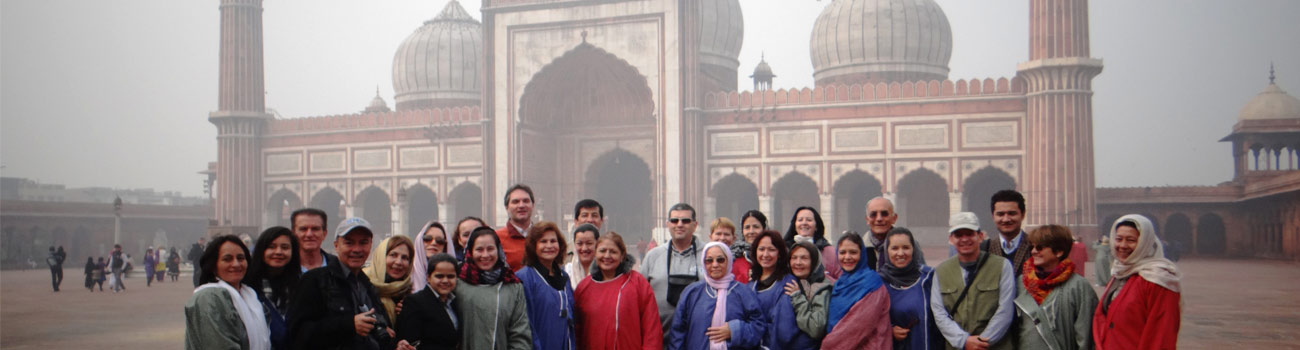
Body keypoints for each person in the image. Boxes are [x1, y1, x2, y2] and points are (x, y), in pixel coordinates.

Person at [287, 217, 410, 350]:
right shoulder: (315, 280)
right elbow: (298, 333)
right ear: (336, 246)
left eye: (363, 243)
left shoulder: (367, 285)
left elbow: (372, 336)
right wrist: (349, 324)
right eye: (349, 243)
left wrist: (395, 345)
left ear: (370, 245)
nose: (357, 249)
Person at [1092, 214, 1182, 350]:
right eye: (1118, 239)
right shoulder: (1120, 272)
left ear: (1145, 242)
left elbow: (1161, 337)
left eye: (1131, 240)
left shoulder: (1158, 280)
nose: (1122, 245)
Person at [931, 212, 1016, 350]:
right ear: (951, 239)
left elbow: (1005, 310)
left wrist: (981, 342)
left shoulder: (1001, 266)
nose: (964, 239)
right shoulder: (941, 271)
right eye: (959, 235)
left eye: (969, 234)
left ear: (980, 236)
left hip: (995, 345)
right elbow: (939, 313)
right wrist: (963, 341)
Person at [667, 242, 766, 350]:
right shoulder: (692, 293)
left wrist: (735, 330)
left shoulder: (744, 292)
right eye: (709, 260)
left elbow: (759, 327)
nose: (715, 265)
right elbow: (677, 333)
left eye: (720, 260)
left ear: (728, 261)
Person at [1014, 225, 1097, 350]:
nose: (1033, 251)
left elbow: (1086, 337)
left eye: (1040, 247)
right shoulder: (1021, 283)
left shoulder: (1078, 286)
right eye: (1032, 247)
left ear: (1059, 252)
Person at [575, 232, 663, 350]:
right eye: (602, 251)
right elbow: (576, 329)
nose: (607, 256)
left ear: (622, 256)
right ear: (595, 254)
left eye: (613, 252)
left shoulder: (637, 283)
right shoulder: (584, 287)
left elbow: (652, 329)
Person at [184, 235, 271, 350]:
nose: (236, 264)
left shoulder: (251, 297)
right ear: (213, 265)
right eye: (227, 259)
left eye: (240, 258)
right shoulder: (208, 298)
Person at [457, 227, 532, 349]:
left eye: (490, 249)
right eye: (479, 250)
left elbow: (520, 335)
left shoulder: (512, 286)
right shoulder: (458, 284)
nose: (485, 255)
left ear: (499, 250)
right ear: (470, 252)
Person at [642, 203, 706, 338]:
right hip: (660, 337)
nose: (680, 224)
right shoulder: (653, 256)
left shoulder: (709, 255)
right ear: (667, 224)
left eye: (686, 221)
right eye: (674, 220)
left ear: (695, 225)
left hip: (700, 338)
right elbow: (640, 295)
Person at [821, 233, 891, 350]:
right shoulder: (840, 283)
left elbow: (856, 328)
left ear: (862, 254)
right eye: (842, 252)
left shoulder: (871, 283)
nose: (847, 257)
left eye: (853, 252)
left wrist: (826, 346)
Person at [750, 230, 817, 350]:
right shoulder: (750, 285)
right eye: (761, 249)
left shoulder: (787, 283)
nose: (765, 254)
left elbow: (784, 330)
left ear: (779, 253)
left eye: (771, 249)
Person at [515, 221, 577, 350]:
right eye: (543, 241)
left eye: (553, 241)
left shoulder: (564, 277)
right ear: (534, 246)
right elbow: (526, 325)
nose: (549, 246)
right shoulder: (525, 278)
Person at [880, 227, 942, 350]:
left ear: (914, 249)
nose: (900, 253)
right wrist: (889, 329)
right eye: (894, 248)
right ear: (887, 251)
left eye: (906, 247)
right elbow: (872, 321)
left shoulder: (929, 277)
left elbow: (943, 315)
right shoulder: (880, 282)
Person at [246, 227, 301, 350]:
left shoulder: (301, 285)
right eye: (271, 247)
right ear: (261, 250)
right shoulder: (246, 286)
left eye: (285, 248)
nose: (278, 252)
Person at [396, 253, 461, 350]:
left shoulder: (455, 302)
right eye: (439, 276)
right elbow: (411, 343)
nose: (445, 280)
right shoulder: (414, 302)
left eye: (451, 276)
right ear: (428, 278)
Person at [783, 241, 832, 344]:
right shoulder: (787, 282)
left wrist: (798, 299)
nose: (798, 262)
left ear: (814, 261)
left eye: (804, 258)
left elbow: (816, 328)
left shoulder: (822, 288)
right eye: (794, 258)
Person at [367, 235, 414, 326]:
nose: (398, 262)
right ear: (381, 256)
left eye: (404, 258)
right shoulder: (362, 285)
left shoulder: (409, 295)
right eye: (393, 255)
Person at [781, 207, 842, 278]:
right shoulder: (784, 250)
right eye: (800, 220)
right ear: (794, 225)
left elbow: (840, 281)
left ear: (816, 226)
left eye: (809, 220)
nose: (804, 223)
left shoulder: (830, 252)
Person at [983, 190, 1032, 276]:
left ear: (1023, 215)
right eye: (1000, 214)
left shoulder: (1035, 247)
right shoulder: (984, 249)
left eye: (1012, 213)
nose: (1006, 219)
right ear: (993, 216)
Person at [496, 184, 536, 272]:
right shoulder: (496, 239)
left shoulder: (543, 236)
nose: (521, 205)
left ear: (533, 205)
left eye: (526, 201)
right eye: (515, 202)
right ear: (507, 207)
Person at [291, 208, 337, 273]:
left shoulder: (339, 268)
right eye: (303, 229)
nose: (309, 234)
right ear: (293, 233)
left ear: (324, 234)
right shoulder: (282, 268)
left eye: (315, 229)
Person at [710, 218, 750, 284]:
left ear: (734, 238)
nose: (722, 238)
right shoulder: (704, 259)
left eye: (726, 234)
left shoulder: (743, 260)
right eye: (718, 234)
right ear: (710, 237)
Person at [563, 224, 600, 288]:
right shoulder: (567, 272)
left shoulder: (605, 271)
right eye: (579, 244)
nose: (584, 248)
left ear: (597, 244)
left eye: (589, 243)